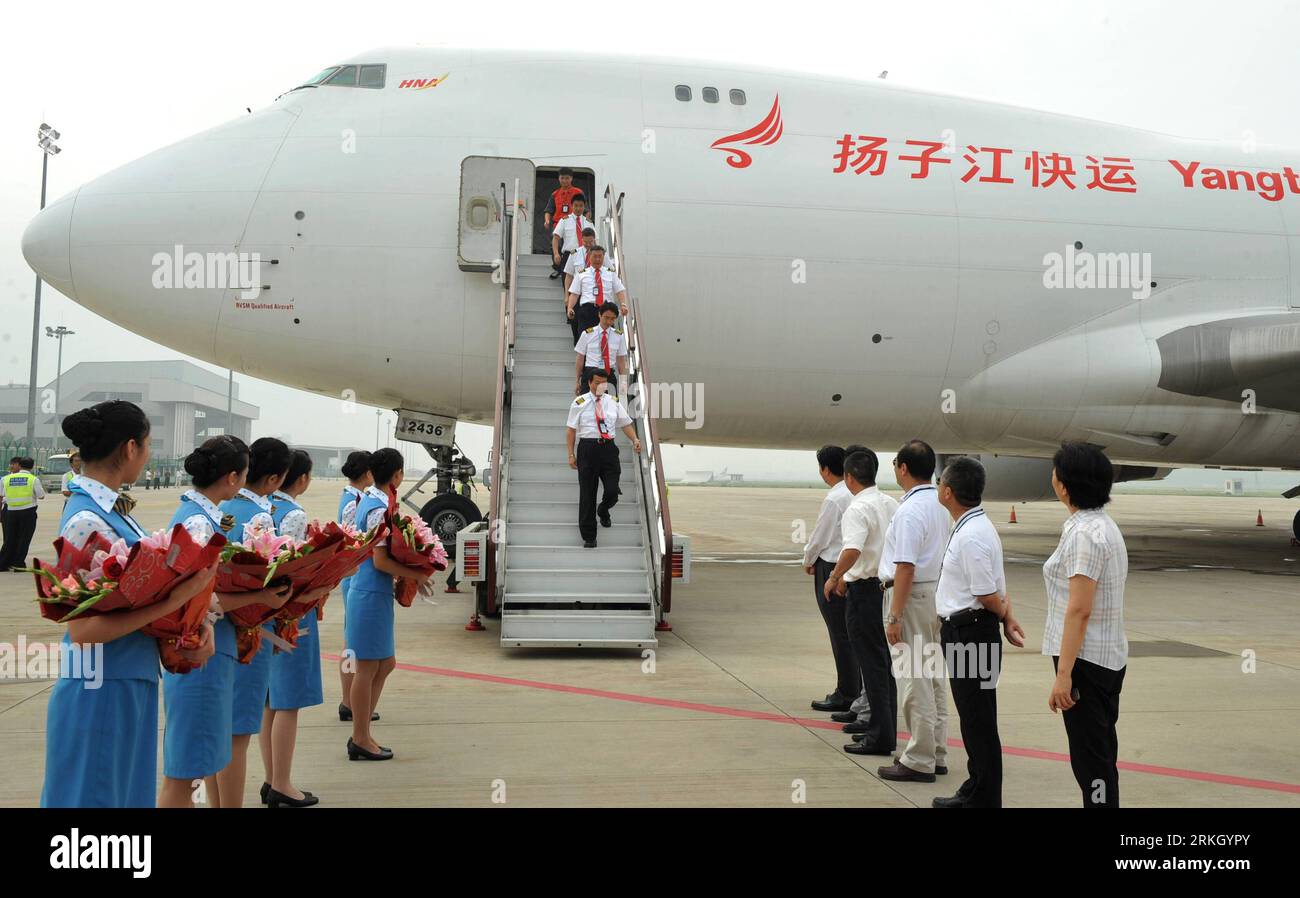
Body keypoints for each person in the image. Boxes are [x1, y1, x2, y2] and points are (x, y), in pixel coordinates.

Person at [42, 401, 217, 807]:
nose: (149, 454)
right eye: (149, 445)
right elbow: (83, 631)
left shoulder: (114, 512)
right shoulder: (86, 520)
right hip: (100, 689)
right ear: (130, 448)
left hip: (125, 681)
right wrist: (175, 600)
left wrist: (187, 629)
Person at [159, 435, 294, 809]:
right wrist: (261, 597)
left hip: (201, 648)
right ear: (233, 477)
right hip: (205, 650)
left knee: (200, 759)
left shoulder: (193, 514)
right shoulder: (203, 524)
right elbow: (202, 600)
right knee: (187, 772)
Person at [932, 456, 1025, 808]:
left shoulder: (970, 535)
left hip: (970, 634)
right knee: (976, 718)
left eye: (942, 483)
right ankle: (976, 788)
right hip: (972, 631)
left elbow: (987, 594)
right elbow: (998, 588)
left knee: (978, 719)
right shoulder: (977, 526)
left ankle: (984, 797)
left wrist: (1003, 615)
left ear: (948, 492)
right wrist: (1008, 617)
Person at [1043, 442, 1129, 808]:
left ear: (1064, 484)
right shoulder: (1101, 526)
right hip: (1104, 657)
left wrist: (1064, 674)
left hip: (1086, 662)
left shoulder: (1084, 535)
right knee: (1100, 753)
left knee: (1091, 761)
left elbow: (1079, 609)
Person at [219, 436, 293, 807]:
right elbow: (272, 577)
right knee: (238, 733)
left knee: (222, 731)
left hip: (219, 628)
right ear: (275, 479)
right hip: (250, 627)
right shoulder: (263, 515)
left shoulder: (223, 507)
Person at [345, 448, 432, 760]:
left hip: (374, 592)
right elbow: (379, 561)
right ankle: (359, 737)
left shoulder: (376, 501)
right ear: (397, 475)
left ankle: (364, 732)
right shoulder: (376, 507)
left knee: (384, 663)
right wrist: (416, 574)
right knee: (367, 667)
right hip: (369, 590)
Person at [876, 439, 952, 783]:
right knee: (933, 675)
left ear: (903, 468)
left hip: (911, 596)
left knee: (912, 679)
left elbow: (904, 566)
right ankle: (935, 751)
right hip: (934, 594)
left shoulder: (909, 511)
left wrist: (894, 615)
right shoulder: (940, 504)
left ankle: (918, 758)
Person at [261, 449, 330, 807]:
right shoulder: (294, 514)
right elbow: (294, 571)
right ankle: (283, 784)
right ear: (300, 478)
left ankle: (271, 777)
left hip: (263, 614)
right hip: (291, 614)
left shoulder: (264, 508)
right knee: (288, 702)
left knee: (270, 700)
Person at [824, 449, 899, 756]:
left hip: (864, 593)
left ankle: (879, 736)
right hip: (884, 588)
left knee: (872, 665)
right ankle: (882, 728)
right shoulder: (890, 503)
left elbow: (852, 549)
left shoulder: (857, 508)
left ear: (849, 477)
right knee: (883, 666)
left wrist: (834, 577)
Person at [802, 446, 857, 713]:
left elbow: (819, 537)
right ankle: (855, 690)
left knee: (839, 633)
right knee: (849, 633)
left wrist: (807, 560)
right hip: (851, 566)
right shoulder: (854, 493)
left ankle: (846, 693)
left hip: (832, 567)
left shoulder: (834, 499)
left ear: (825, 469)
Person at [565, 369, 641, 548]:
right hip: (588, 449)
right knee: (587, 494)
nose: (601, 386)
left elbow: (626, 424)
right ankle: (589, 536)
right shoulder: (579, 402)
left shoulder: (613, 402)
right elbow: (571, 430)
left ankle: (604, 509)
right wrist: (571, 454)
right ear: (590, 383)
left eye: (604, 383)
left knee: (612, 490)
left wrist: (635, 439)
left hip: (608, 450)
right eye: (597, 383)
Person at [336, 449, 376, 723]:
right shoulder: (354, 502)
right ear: (366, 473)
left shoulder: (355, 497)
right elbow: (354, 542)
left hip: (354, 576)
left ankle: (349, 700)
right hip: (354, 578)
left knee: (352, 641)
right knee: (352, 643)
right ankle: (348, 700)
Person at [566, 245, 629, 345]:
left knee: (606, 342)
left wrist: (623, 304)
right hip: (588, 311)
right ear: (590, 256)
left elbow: (620, 290)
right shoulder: (581, 274)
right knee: (586, 342)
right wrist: (570, 308)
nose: (597, 259)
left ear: (604, 258)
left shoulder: (611, 273)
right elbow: (574, 294)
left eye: (600, 256)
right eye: (595, 256)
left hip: (606, 311)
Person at [0, 456, 45, 572]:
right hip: (27, 511)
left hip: (10, 511)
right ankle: (18, 564)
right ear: (32, 466)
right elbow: (41, 495)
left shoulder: (6, 479)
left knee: (10, 538)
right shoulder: (33, 479)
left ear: (20, 465)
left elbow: (2, 495)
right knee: (23, 539)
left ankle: (3, 563)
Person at [573, 302, 628, 396]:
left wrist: (623, 381)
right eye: (606, 317)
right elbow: (580, 358)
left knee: (609, 407)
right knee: (588, 406)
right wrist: (577, 381)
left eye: (612, 319)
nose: (609, 322)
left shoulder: (619, 336)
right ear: (599, 314)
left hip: (608, 374)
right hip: (590, 373)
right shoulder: (587, 334)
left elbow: (621, 361)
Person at [544, 167, 585, 277]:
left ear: (571, 179)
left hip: (574, 223)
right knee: (555, 245)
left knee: (573, 247)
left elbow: (586, 210)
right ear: (559, 179)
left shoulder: (578, 192)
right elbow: (549, 210)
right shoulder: (555, 194)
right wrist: (547, 221)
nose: (565, 181)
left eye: (567, 178)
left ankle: (572, 269)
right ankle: (558, 268)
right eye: (562, 178)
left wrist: (584, 222)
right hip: (558, 223)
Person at [552, 194, 594, 292]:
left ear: (584, 207)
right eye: (576, 205)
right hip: (569, 255)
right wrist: (556, 254)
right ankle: (569, 307)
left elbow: (595, 240)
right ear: (571, 206)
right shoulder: (564, 220)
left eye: (581, 206)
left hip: (586, 255)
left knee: (585, 287)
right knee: (568, 287)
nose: (578, 208)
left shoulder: (588, 222)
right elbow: (556, 238)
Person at [563, 226, 598, 301]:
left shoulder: (602, 253)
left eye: (590, 242)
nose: (588, 244)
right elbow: (569, 276)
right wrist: (566, 295)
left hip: (596, 293)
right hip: (577, 294)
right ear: (581, 239)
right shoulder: (574, 253)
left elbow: (610, 272)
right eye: (585, 242)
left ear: (594, 240)